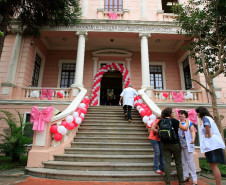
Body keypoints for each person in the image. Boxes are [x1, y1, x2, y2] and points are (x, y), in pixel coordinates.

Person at [152, 107, 189, 185]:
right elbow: (185, 129)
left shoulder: (160, 121)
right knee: (178, 163)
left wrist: (159, 132)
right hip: (175, 144)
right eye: (173, 112)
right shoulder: (175, 121)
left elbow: (152, 128)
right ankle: (181, 182)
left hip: (164, 144)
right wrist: (187, 121)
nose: (174, 113)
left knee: (167, 163)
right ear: (170, 113)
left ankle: (168, 182)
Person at [195, 107, 225, 185]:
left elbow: (207, 125)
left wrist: (209, 134)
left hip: (212, 145)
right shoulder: (209, 118)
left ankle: (218, 184)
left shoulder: (205, 118)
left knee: (214, 165)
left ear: (200, 112)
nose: (197, 114)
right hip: (214, 145)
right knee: (214, 165)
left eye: (197, 112)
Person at [178, 110, 197, 185]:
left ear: (185, 115)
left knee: (190, 162)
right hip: (180, 145)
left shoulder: (189, 123)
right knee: (183, 162)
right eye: (179, 114)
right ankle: (185, 176)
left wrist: (193, 138)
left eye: (181, 114)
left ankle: (194, 179)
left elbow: (193, 131)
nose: (180, 115)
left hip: (187, 144)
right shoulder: (177, 123)